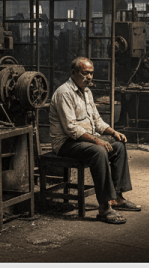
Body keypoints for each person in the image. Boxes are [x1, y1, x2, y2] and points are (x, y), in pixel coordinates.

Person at [49, 56, 140, 225]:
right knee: (99, 151)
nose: (89, 77)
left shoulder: (87, 92)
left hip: (84, 140)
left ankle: (117, 198)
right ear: (73, 72)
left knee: (118, 146)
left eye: (91, 73)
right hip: (65, 143)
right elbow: (71, 129)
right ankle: (104, 208)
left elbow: (97, 121)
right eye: (85, 73)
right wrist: (97, 141)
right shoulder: (64, 93)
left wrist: (113, 133)